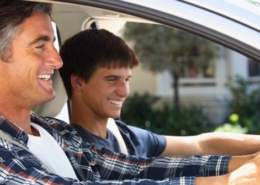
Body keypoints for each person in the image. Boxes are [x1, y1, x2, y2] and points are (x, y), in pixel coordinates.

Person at [0, 1, 259, 185]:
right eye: (40, 46)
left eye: (53, 46)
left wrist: (244, 163)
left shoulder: (56, 132)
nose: (57, 61)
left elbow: (132, 169)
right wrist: (227, 182)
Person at [60, 28, 260, 158]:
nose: (123, 91)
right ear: (78, 82)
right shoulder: (78, 150)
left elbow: (200, 144)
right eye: (111, 80)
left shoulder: (124, 136)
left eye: (127, 79)